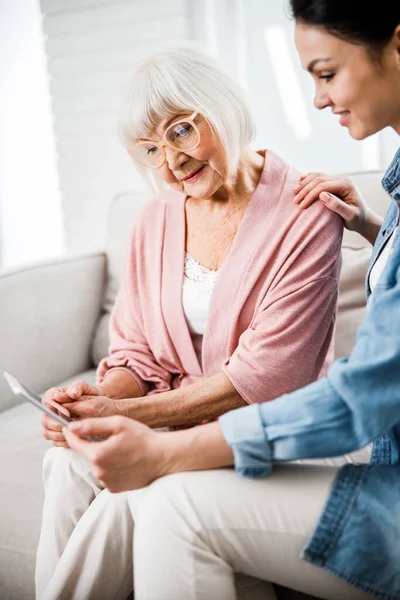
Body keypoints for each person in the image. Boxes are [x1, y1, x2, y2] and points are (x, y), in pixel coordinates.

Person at [65, 1, 400, 599]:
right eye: (150, 149)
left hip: (313, 450)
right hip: (220, 420)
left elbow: (326, 392)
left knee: (153, 495)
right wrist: (101, 398)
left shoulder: (303, 210)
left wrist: (146, 429)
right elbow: (136, 352)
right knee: (66, 465)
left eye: (326, 73)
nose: (319, 99)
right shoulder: (155, 218)